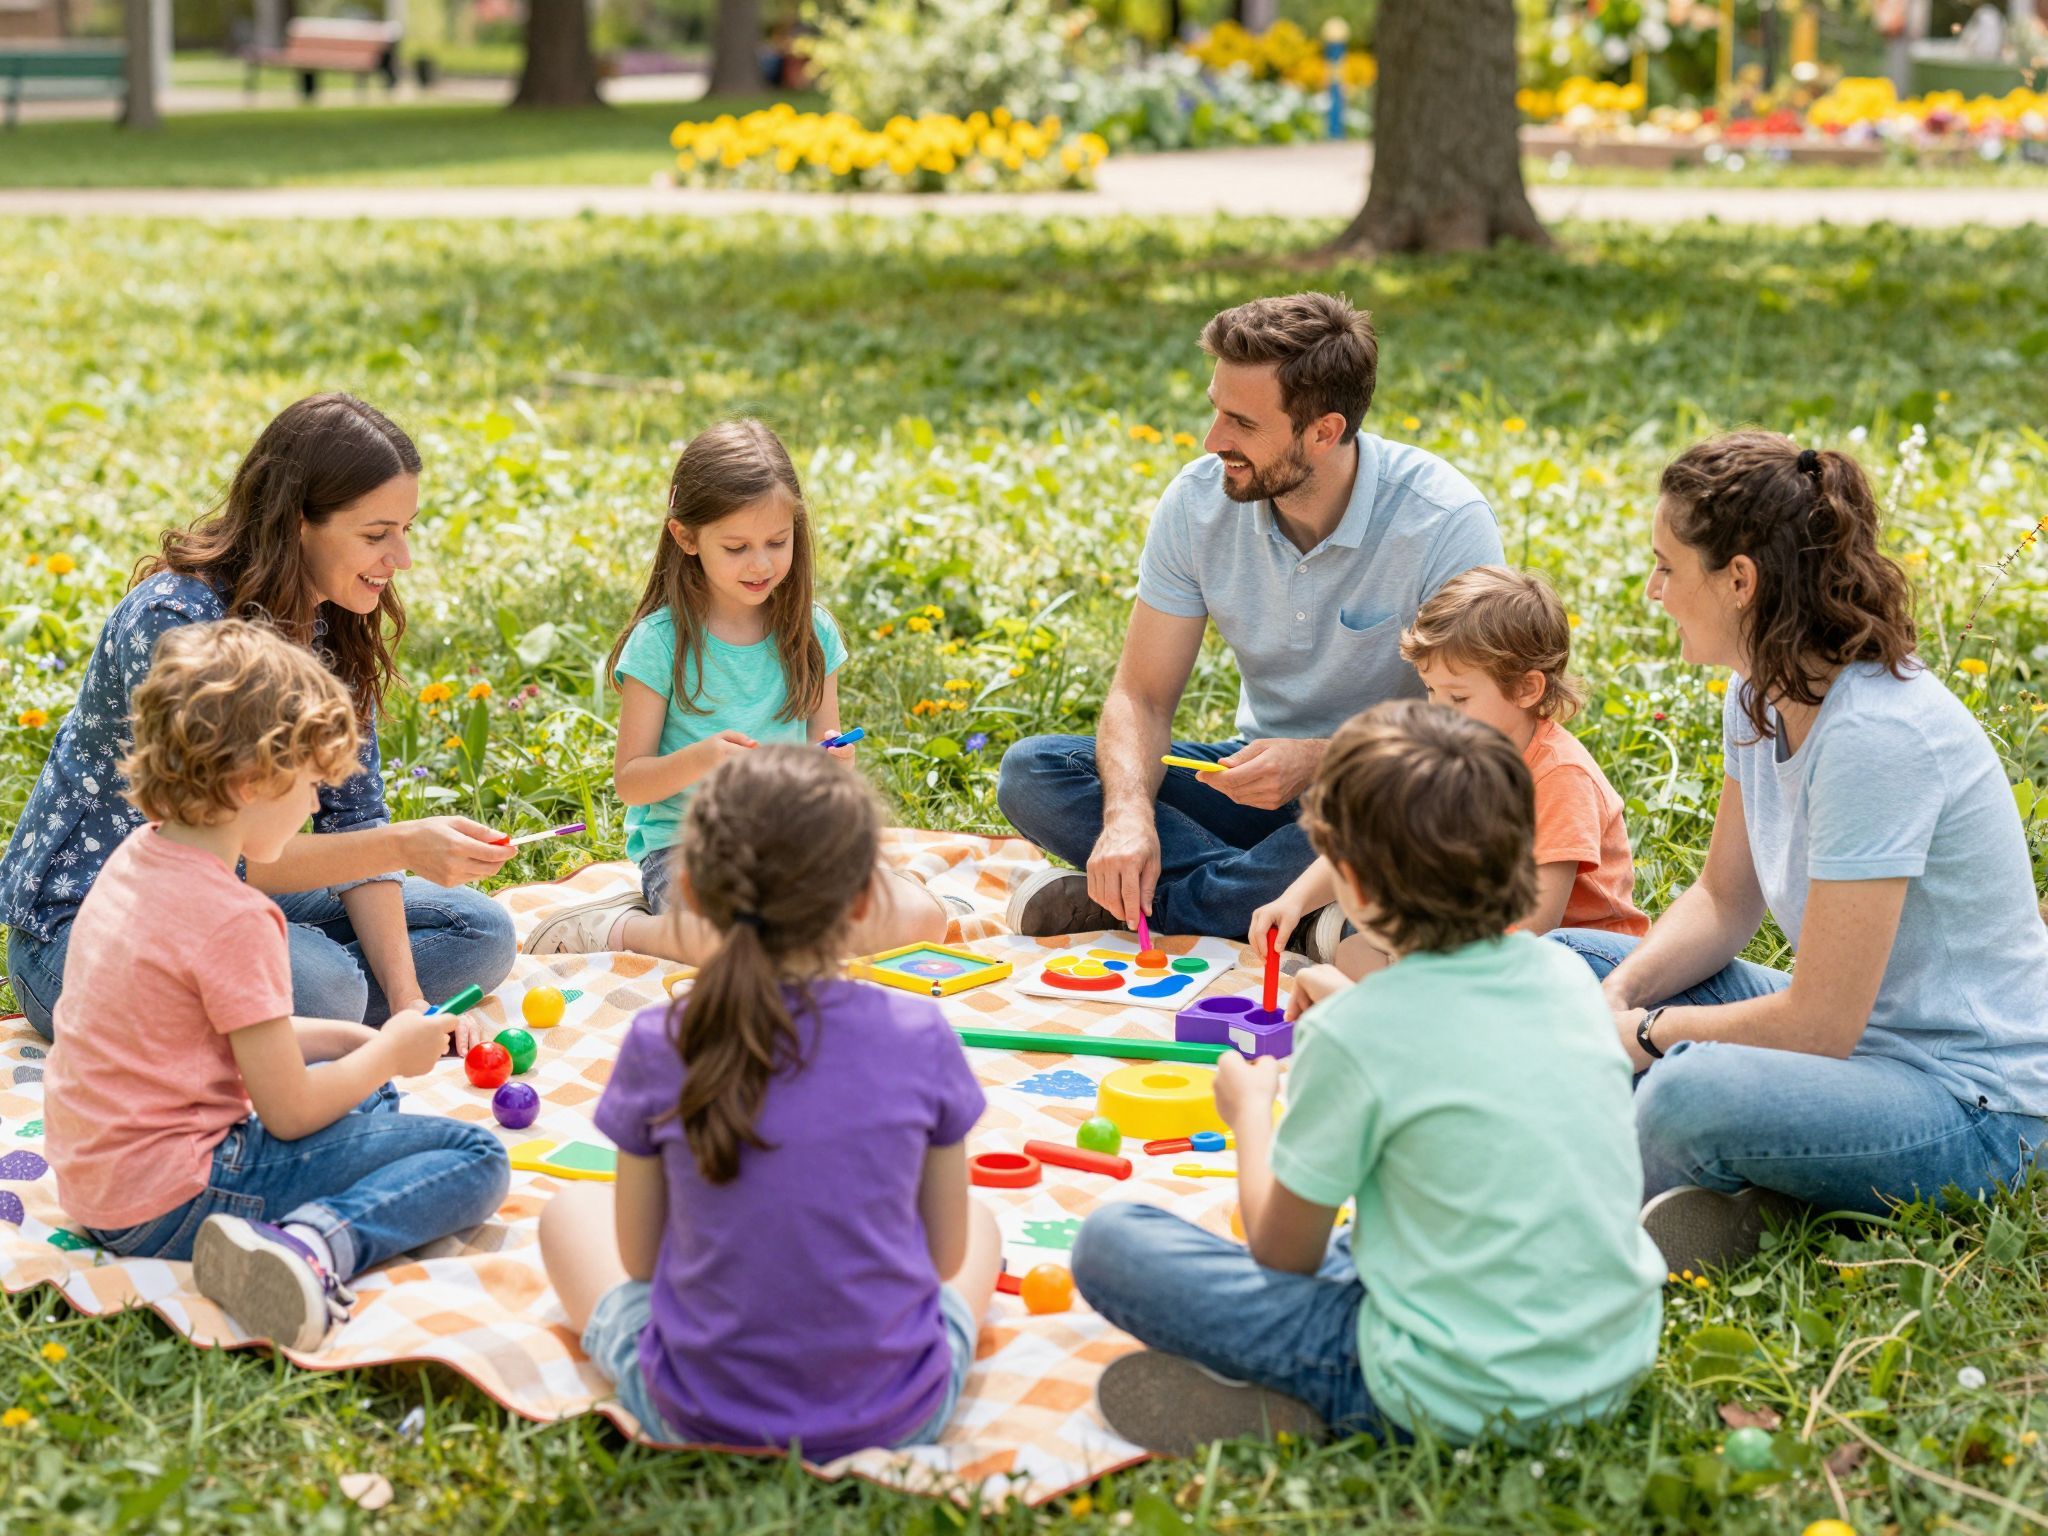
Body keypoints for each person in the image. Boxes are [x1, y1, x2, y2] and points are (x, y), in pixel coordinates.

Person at [1072, 701, 1664, 1455]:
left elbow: (1282, 1253)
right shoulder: (1566, 976)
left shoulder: (1360, 1039)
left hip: (1448, 1390)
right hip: (1609, 1363)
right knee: (1388, 1221)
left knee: (1111, 1242)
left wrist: (1252, 1110)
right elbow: (1452, 1048)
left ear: (1349, 880)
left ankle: (1307, 1404)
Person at [1552, 432, 2048, 1273]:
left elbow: (1822, 1022)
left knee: (1684, 1090)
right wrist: (1621, 993)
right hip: (1863, 1051)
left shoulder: (1877, 737)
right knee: (1565, 957)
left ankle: (1587, 1219)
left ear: (1739, 579)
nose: (1654, 590)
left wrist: (1646, 1034)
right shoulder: (1759, 694)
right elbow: (1722, 901)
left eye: (1669, 567)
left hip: (1975, 1102)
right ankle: (1748, 1178)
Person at [43, 620, 510, 1351]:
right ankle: (311, 1248)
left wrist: (361, 1040)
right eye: (312, 787)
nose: (316, 809)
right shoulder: (235, 917)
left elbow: (215, 1039)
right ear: (253, 780)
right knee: (476, 1159)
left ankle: (295, 1214)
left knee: (365, 1088)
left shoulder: (138, 861)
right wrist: (387, 1055)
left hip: (99, 1184)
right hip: (177, 1196)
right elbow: (288, 1113)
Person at [1, 393, 516, 1045]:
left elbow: (353, 818)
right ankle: (289, 1009)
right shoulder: (175, 625)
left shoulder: (334, 623)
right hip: (92, 926)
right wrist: (403, 847)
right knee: (329, 987)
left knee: (480, 933)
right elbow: (219, 849)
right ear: (299, 521)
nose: (402, 558)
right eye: (376, 534)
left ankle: (278, 1006)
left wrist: (414, 1003)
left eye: (406, 529)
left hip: (231, 898)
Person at [998, 292, 1502, 946]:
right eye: (1216, 411)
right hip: (1254, 787)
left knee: (1416, 830)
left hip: (1386, 795)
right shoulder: (1198, 503)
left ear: (1324, 431)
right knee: (1036, 772)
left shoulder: (1443, 521)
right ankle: (1285, 914)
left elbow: (1482, 733)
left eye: (1241, 423)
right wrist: (1127, 820)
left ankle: (1144, 907)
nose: (1214, 442)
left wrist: (1324, 760)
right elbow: (1142, 696)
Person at [538, 747, 1000, 1459]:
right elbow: (944, 1257)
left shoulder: (660, 1039)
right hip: (897, 1411)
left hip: (696, 1410)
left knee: (568, 1213)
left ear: (689, 889)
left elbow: (636, 1262)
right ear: (865, 900)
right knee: (984, 1222)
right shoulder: (920, 1034)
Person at [523, 419, 948, 963]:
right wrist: (700, 760)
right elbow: (631, 783)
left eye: (777, 541)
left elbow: (827, 739)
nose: (762, 563)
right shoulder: (661, 643)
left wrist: (835, 760)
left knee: (926, 919)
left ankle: (823, 917)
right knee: (736, 946)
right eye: (738, 546)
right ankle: (619, 929)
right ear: (686, 537)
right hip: (693, 853)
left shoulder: (811, 632)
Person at [1250, 565, 1647, 971]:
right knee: (1358, 951)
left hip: (1576, 959)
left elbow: (1535, 926)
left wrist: (1437, 963)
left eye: (1458, 698)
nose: (1440, 711)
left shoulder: (1559, 776)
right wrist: (1293, 900)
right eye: (1430, 691)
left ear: (1527, 689)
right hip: (1475, 934)